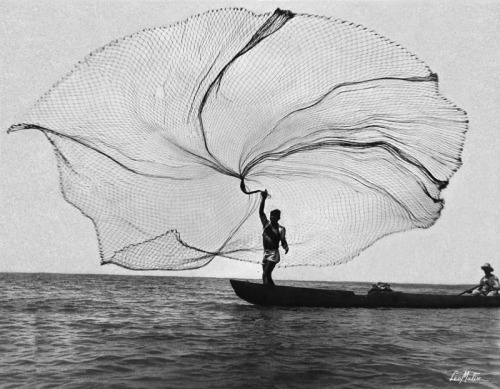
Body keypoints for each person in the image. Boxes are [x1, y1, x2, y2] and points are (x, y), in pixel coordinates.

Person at [259, 190, 288, 286]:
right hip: (266, 253)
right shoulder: (266, 224)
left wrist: (285, 247)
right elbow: (261, 212)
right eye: (271, 216)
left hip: (273, 254)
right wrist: (263, 199)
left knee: (266, 273)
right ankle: (270, 292)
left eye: (274, 217)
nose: (272, 218)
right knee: (266, 276)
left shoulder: (281, 229)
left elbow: (283, 240)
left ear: (278, 218)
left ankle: (268, 293)